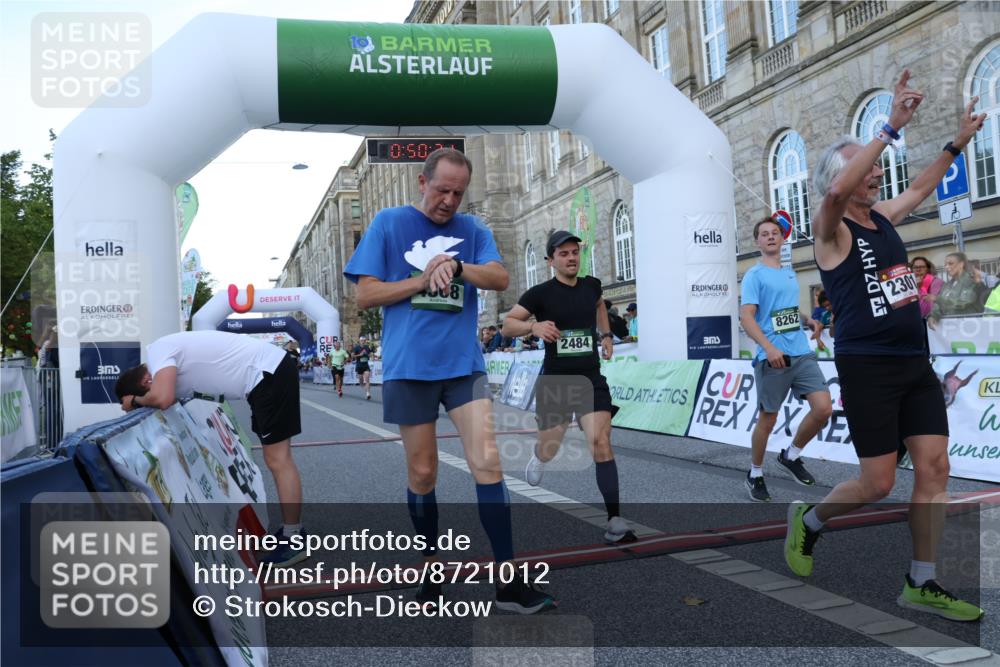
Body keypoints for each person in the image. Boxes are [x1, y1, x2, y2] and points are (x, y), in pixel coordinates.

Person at [784, 70, 985, 621]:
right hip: (867, 367)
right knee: (876, 483)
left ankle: (921, 580)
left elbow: (919, 188)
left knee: (935, 466)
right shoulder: (830, 228)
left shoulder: (881, 220)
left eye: (875, 167)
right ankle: (809, 522)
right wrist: (889, 126)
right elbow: (833, 191)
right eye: (867, 167)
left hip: (913, 364)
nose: (876, 173)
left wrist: (956, 144)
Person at [344, 147, 555, 613]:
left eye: (457, 193)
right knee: (423, 473)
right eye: (441, 190)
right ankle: (431, 568)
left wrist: (457, 266)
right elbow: (365, 294)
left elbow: (499, 278)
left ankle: (507, 582)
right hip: (408, 369)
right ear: (422, 183)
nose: (448, 201)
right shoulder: (388, 223)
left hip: (463, 367)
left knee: (488, 463)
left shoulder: (473, 229)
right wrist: (422, 280)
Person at [114, 330, 307, 566]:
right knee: (277, 459)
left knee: (279, 460)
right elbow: (169, 399)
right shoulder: (166, 361)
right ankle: (292, 531)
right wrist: (142, 399)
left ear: (146, 382)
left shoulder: (158, 352)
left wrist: (135, 401)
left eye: (145, 393)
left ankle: (294, 538)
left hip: (266, 373)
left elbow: (162, 398)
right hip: (264, 375)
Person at [503, 231, 634, 544]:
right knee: (550, 445)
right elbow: (509, 325)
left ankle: (614, 519)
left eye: (575, 252)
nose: (571, 258)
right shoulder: (540, 294)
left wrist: (604, 335)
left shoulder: (591, 286)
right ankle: (539, 457)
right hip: (557, 380)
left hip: (591, 377)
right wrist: (533, 326)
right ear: (551, 261)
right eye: (563, 254)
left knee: (601, 441)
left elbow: (600, 306)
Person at [739, 217, 832, 502]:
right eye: (764, 234)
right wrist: (768, 348)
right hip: (773, 356)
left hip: (801, 352)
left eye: (775, 233)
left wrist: (808, 321)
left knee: (823, 409)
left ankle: (791, 455)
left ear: (782, 238)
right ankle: (755, 473)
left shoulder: (790, 273)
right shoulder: (754, 275)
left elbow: (786, 310)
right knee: (768, 419)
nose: (770, 237)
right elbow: (747, 317)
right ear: (757, 241)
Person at [928, 252, 988, 325]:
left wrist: (938, 299)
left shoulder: (971, 281)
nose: (946, 267)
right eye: (945, 265)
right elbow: (938, 305)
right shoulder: (946, 285)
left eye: (950, 263)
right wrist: (933, 316)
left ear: (961, 264)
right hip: (951, 329)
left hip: (970, 327)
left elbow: (963, 303)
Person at [352, 335, 374, 400]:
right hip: (359, 366)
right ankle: (365, 389)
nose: (363, 342)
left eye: (364, 341)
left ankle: (368, 393)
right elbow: (352, 356)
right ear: (359, 341)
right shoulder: (356, 348)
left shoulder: (367, 347)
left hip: (366, 366)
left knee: (367, 379)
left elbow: (370, 354)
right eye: (362, 341)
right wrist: (360, 355)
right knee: (361, 382)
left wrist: (370, 354)